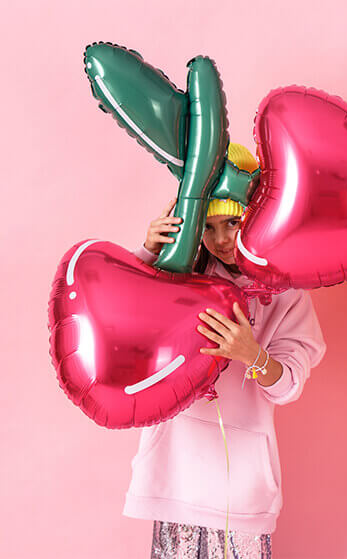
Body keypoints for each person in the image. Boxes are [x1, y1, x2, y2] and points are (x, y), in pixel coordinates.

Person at [124, 144, 326, 559]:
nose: (220, 240)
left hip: (241, 484)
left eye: (232, 223)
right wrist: (149, 253)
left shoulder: (287, 291)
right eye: (209, 226)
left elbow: (288, 385)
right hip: (176, 467)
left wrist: (251, 353)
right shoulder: (179, 273)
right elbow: (126, 320)